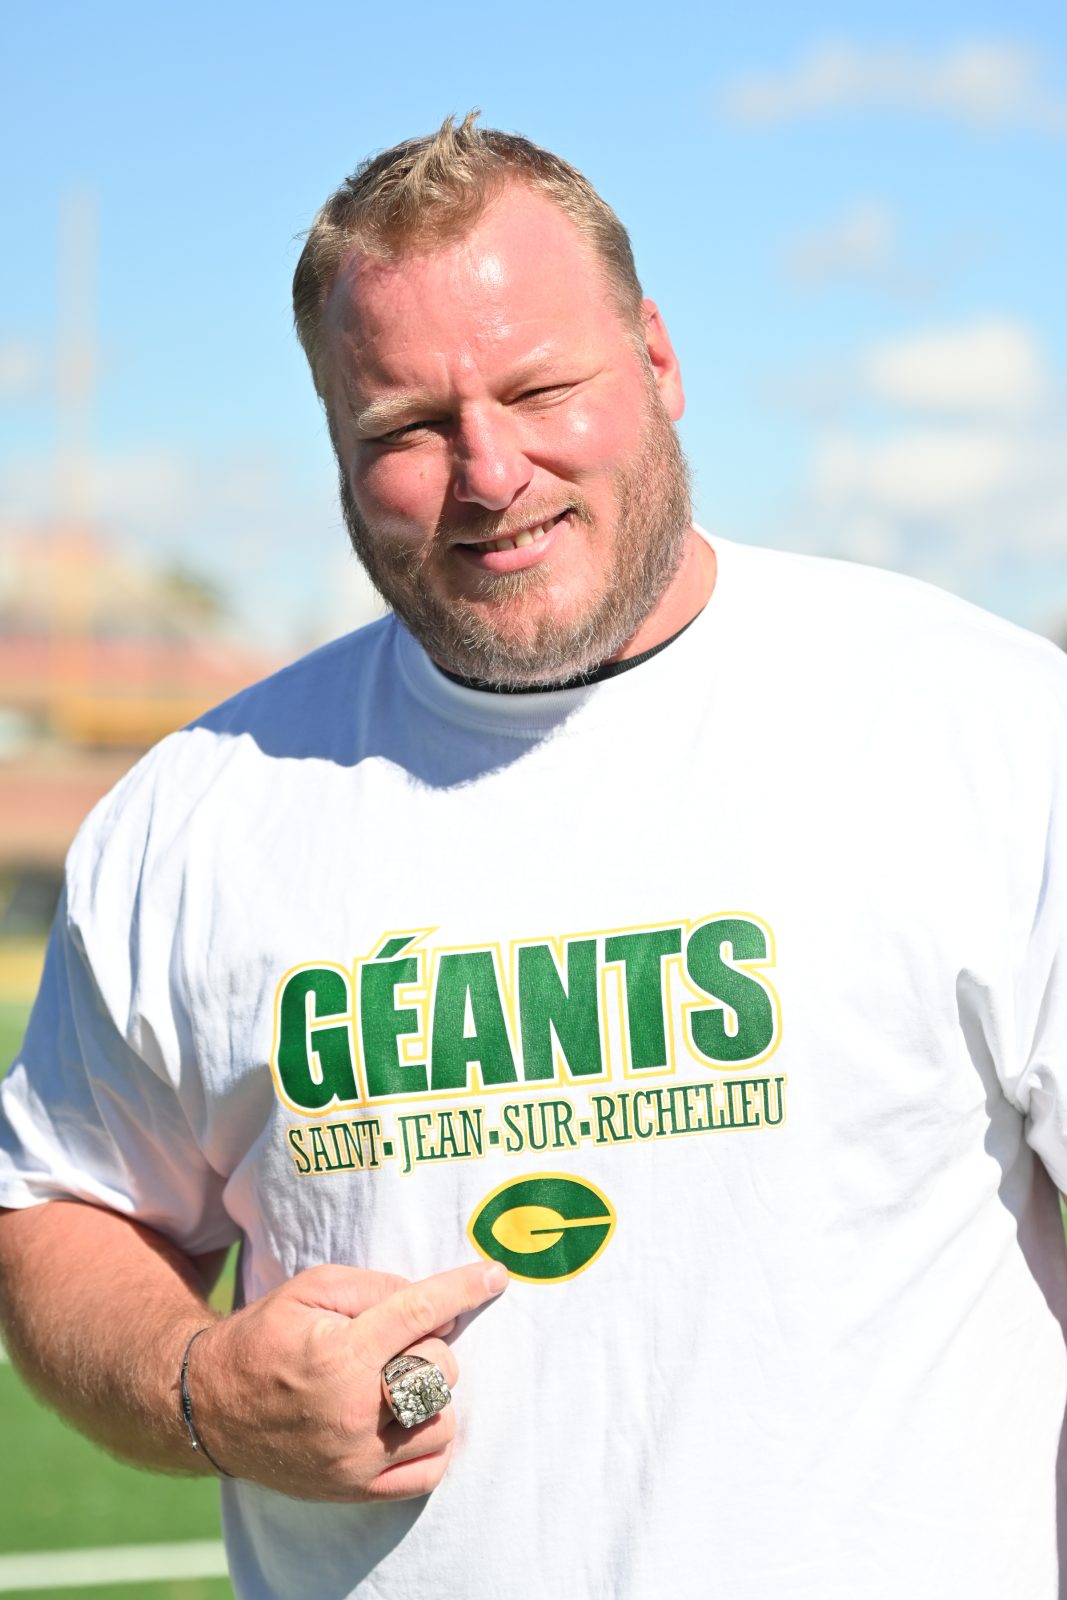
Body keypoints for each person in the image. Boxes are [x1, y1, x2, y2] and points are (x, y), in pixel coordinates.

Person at [1, 113, 1067, 1600]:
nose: (490, 471)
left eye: (540, 388)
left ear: (659, 359)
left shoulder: (989, 733)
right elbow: (66, 1205)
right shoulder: (196, 814)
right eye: (405, 429)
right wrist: (201, 1386)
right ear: (332, 442)